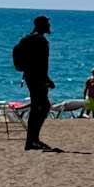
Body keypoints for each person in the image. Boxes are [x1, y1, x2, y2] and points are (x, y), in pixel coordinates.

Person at [14, 15, 55, 151]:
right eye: (47, 24)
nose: (49, 26)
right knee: (41, 107)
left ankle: (32, 139)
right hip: (37, 78)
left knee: (39, 107)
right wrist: (46, 79)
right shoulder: (41, 41)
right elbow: (42, 64)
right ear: (41, 25)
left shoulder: (28, 39)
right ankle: (32, 140)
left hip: (30, 77)